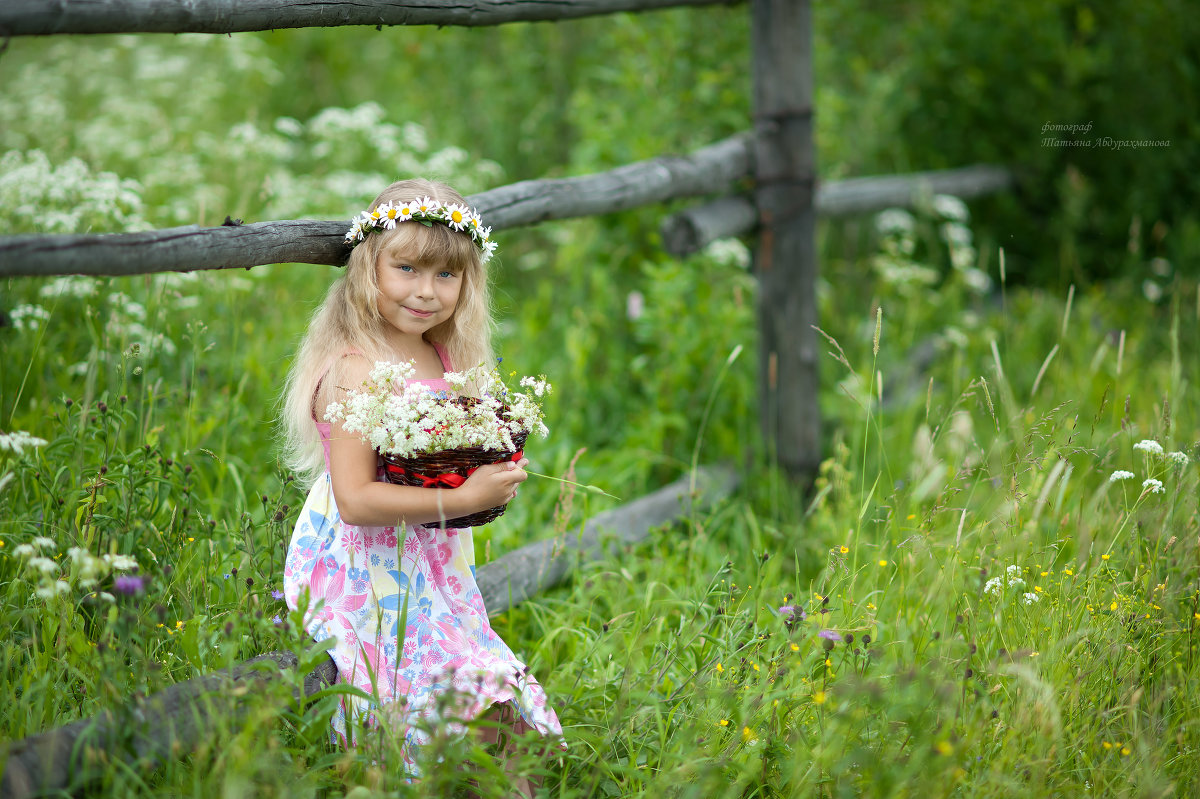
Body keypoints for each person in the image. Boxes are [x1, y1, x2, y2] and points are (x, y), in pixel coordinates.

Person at [280, 178, 563, 793]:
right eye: (405, 268)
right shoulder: (356, 368)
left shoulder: (444, 356)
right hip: (361, 566)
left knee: (502, 714)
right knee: (448, 709)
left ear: (467, 283)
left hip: (428, 555)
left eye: (445, 276)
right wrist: (462, 499)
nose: (425, 291)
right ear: (367, 270)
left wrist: (489, 472)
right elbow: (355, 501)